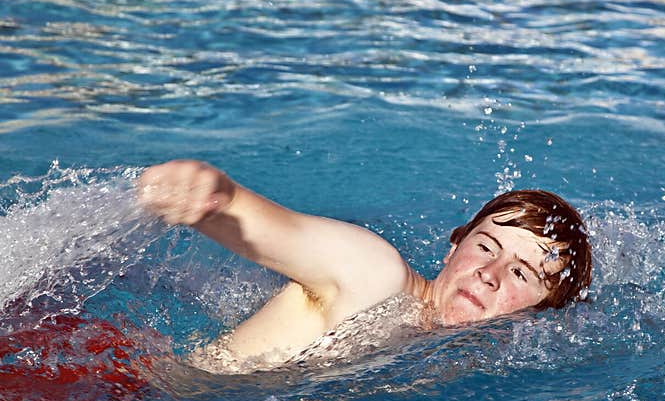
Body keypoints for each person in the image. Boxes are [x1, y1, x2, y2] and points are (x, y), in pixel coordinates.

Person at [137, 160, 592, 371]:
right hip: (122, 395)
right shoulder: (377, 275)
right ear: (453, 248)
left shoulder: (454, 357)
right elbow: (273, 228)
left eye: (520, 273)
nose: (488, 275)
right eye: (487, 247)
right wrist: (211, 192)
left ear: (541, 309)